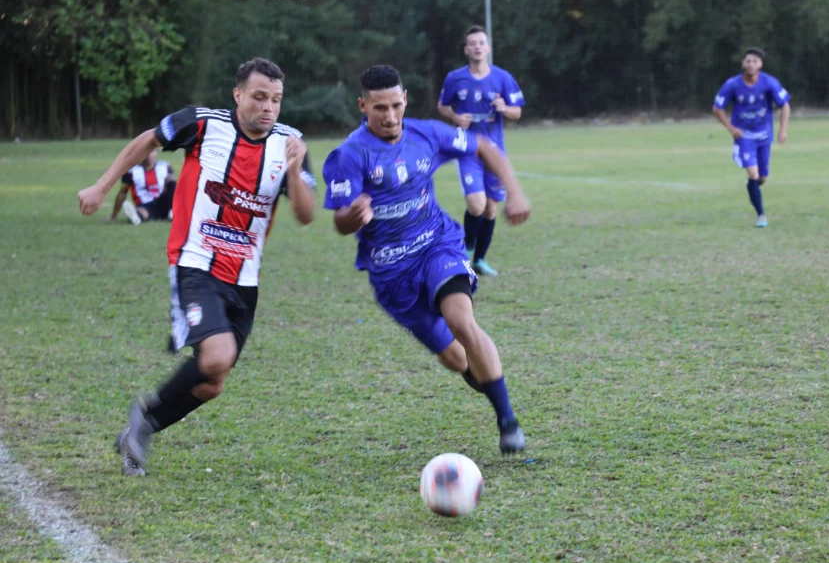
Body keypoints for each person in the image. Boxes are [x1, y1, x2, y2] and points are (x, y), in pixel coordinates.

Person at [77, 58, 317, 476]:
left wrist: (296, 171)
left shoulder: (291, 143)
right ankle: (141, 424)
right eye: (259, 97)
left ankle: (144, 423)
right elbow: (147, 142)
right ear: (238, 94)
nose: (268, 107)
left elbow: (306, 214)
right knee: (216, 356)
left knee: (212, 382)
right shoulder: (203, 124)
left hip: (245, 277)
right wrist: (101, 187)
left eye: (276, 100)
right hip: (195, 263)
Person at [325, 65, 530, 453]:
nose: (389, 116)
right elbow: (339, 221)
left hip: (437, 244)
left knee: (461, 319)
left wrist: (515, 192)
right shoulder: (349, 155)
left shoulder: (425, 133)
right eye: (379, 108)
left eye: (396, 105)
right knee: (455, 359)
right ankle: (493, 396)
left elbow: (484, 146)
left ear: (405, 100)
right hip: (392, 274)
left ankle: (508, 421)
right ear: (363, 106)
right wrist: (352, 216)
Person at [437, 25, 525, 276]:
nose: (477, 46)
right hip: (468, 149)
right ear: (466, 49)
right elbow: (442, 106)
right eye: (472, 43)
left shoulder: (502, 78)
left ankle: (480, 260)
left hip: (495, 152)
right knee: (476, 204)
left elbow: (517, 112)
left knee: (490, 208)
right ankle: (464, 251)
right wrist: (455, 116)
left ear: (488, 47)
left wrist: (503, 108)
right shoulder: (455, 78)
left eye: (481, 42)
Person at [712, 48, 791, 227]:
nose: (750, 64)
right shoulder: (732, 84)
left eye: (755, 61)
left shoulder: (769, 82)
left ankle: (752, 187)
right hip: (744, 136)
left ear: (760, 65)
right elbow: (717, 109)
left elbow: (785, 106)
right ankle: (761, 215)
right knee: (753, 173)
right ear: (743, 63)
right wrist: (731, 128)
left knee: (762, 178)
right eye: (747, 61)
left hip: (764, 136)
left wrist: (782, 130)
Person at [109, 149, 176, 224]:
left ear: (156, 153)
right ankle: (136, 216)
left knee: (171, 179)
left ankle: (172, 211)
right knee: (142, 213)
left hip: (163, 202)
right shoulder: (130, 172)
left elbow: (173, 188)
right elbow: (122, 193)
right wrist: (113, 216)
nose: (149, 155)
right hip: (145, 206)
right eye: (146, 152)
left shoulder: (165, 166)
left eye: (151, 151)